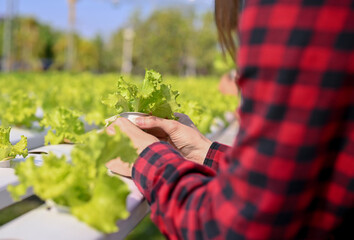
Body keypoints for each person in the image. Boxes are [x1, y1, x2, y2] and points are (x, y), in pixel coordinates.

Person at [107, 0, 354, 238]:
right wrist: (203, 151)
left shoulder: (294, 9)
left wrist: (143, 157)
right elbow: (296, 181)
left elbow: (233, 230)